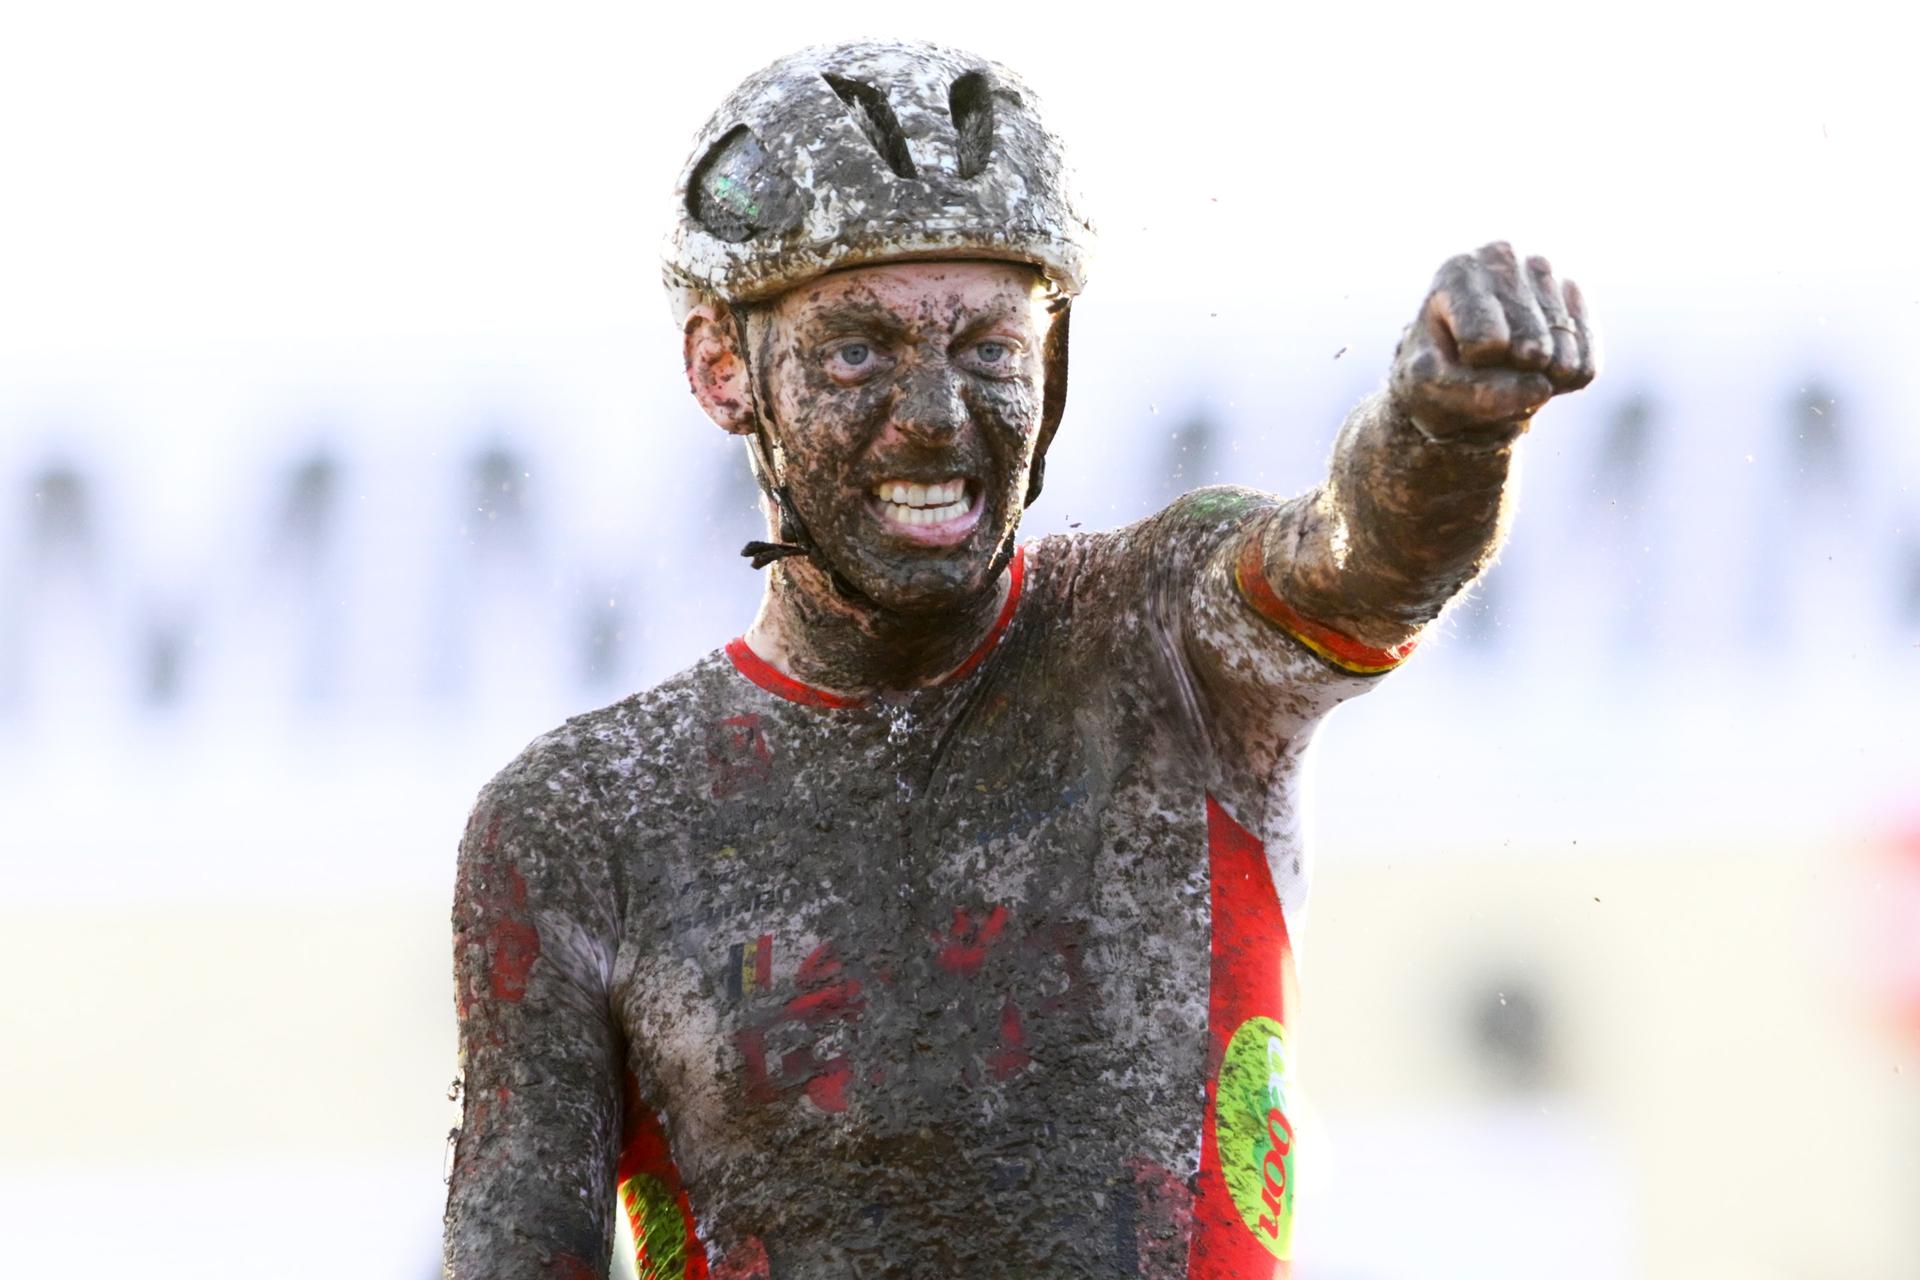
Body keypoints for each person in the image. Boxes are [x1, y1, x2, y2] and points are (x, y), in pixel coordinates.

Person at [442, 38, 1596, 1280]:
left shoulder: (1162, 635)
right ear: (723, 367)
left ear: (1053, 361)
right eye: (857, 350)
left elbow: (1360, 561)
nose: (935, 416)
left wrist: (1443, 431)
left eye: (989, 348)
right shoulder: (582, 824)